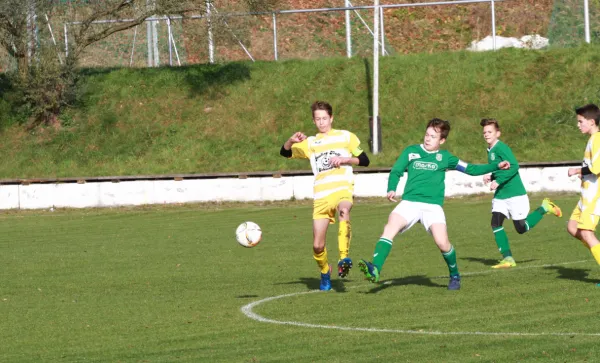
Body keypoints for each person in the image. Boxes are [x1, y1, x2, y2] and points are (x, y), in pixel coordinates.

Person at [358, 118, 510, 290]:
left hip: (432, 207)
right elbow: (397, 171)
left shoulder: (445, 158)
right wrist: (391, 188)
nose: (428, 138)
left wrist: (496, 165)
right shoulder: (411, 151)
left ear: (442, 141)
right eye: (427, 134)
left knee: (442, 243)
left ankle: (454, 275)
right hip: (409, 202)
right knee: (389, 227)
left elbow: (471, 169)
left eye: (433, 136)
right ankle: (375, 268)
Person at [280, 101, 370, 291]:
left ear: (331, 118)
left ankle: (343, 258)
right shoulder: (311, 142)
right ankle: (325, 271)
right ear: (314, 121)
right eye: (318, 119)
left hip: (342, 189)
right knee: (317, 246)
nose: (322, 122)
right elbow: (284, 152)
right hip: (321, 196)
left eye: (324, 118)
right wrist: (291, 141)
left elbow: (364, 160)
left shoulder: (346, 137)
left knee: (344, 210)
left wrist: (346, 159)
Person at [479, 118, 562, 269]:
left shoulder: (501, 148)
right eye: (484, 132)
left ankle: (544, 208)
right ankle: (508, 258)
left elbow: (514, 166)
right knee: (495, 223)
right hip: (501, 195)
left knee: (521, 228)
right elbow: (502, 168)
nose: (486, 134)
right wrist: (491, 176)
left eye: (489, 132)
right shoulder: (490, 150)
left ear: (498, 133)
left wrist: (497, 181)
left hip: (514, 193)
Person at [567, 104, 600, 285]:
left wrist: (577, 170)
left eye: (580, 122)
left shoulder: (597, 139)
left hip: (594, 196)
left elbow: (596, 168)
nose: (578, 125)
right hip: (585, 195)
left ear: (592, 122)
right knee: (573, 228)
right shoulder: (592, 139)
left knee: (587, 233)